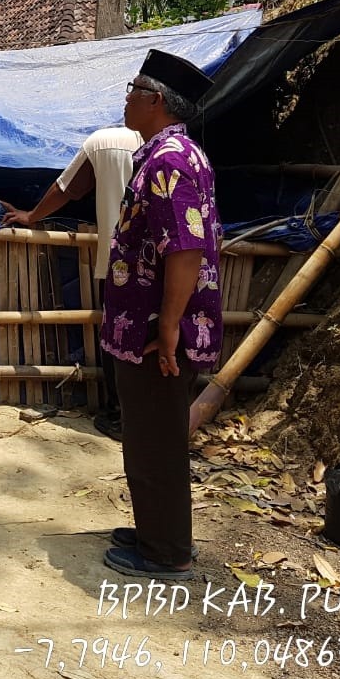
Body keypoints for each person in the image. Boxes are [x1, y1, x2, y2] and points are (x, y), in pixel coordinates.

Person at [100, 49, 223, 582]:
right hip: (146, 328)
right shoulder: (167, 154)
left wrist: (169, 325)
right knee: (149, 434)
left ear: (154, 100)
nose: (125, 98)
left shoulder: (169, 159)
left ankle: (166, 551)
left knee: (156, 439)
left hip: (156, 333)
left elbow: (185, 248)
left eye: (132, 89)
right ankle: (156, 531)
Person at [0, 126, 142, 437]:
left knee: (119, 340)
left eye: (134, 94)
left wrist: (32, 215)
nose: (129, 101)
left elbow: (68, 188)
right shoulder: (189, 150)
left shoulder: (106, 141)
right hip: (172, 263)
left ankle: (122, 418)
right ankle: (159, 416)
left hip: (124, 264)